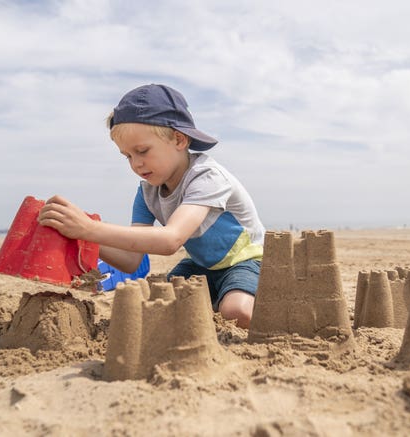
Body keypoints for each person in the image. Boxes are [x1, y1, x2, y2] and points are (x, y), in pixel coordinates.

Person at [38, 84, 265, 328]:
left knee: (236, 311)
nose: (136, 164)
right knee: (151, 303)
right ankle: (215, 301)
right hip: (202, 266)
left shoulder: (206, 176)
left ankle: (251, 297)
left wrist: (89, 228)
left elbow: (170, 240)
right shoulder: (148, 192)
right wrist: (82, 237)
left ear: (179, 139)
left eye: (142, 151)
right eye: (127, 156)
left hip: (246, 262)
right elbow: (130, 260)